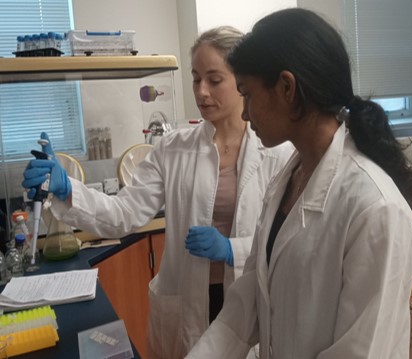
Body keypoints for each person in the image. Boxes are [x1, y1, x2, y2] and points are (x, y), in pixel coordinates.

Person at [21, 26, 292, 358]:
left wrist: (231, 249)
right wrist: (67, 190)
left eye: (214, 79)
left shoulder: (278, 152)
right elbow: (124, 215)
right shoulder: (173, 148)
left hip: (246, 298)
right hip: (187, 301)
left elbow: (288, 240)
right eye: (195, 79)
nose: (202, 92)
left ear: (242, 81)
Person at [186, 8, 412, 359]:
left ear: (286, 88)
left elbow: (361, 353)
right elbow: (245, 305)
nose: (246, 113)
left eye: (247, 94)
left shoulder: (375, 209)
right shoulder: (289, 179)